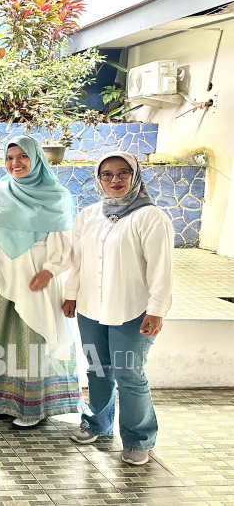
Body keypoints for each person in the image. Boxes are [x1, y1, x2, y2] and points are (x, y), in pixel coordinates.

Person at [63, 151, 173, 466]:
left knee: (129, 373)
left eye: (123, 173)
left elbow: (161, 269)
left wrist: (157, 309)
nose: (115, 180)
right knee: (98, 368)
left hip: (133, 311)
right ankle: (97, 423)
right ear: (98, 179)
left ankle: (139, 439)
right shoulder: (88, 215)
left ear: (135, 175)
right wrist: (71, 294)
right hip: (90, 308)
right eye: (107, 174)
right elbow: (77, 261)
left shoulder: (151, 217)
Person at [0, 135, 83, 427]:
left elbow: (64, 242)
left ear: (36, 159)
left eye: (22, 157)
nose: (15, 163)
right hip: (2, 275)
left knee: (32, 336)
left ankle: (32, 407)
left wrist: (49, 270)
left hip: (36, 274)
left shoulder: (55, 194)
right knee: (0, 336)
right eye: (9, 158)